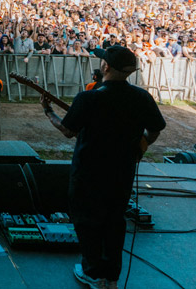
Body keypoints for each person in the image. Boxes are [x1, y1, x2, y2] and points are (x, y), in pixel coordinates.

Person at [41, 46, 166, 289]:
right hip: (122, 171)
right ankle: (112, 278)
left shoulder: (90, 97)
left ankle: (93, 273)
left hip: (89, 172)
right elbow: (155, 129)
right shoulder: (142, 97)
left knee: (87, 220)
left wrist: (48, 111)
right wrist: (140, 147)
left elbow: (67, 130)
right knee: (114, 220)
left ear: (106, 66)